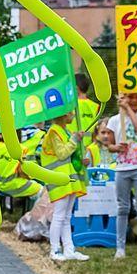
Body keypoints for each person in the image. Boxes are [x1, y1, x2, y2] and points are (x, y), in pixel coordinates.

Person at [106, 91, 137, 260]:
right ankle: (120, 247)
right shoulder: (114, 120)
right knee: (122, 208)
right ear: (123, 96)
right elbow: (109, 145)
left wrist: (128, 108)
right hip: (122, 167)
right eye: (130, 97)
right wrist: (116, 147)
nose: (134, 100)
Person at [40, 110, 89, 262]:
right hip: (59, 180)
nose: (74, 114)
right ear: (61, 114)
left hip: (69, 179)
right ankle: (54, 249)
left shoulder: (65, 131)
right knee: (60, 215)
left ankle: (69, 249)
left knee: (66, 216)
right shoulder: (54, 131)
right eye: (70, 112)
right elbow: (62, 153)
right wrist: (75, 139)